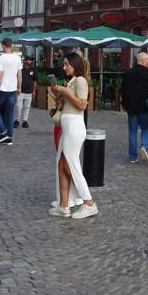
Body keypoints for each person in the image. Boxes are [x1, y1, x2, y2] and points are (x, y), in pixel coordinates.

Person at [48, 51, 99, 219]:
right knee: (62, 165)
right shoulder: (72, 81)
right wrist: (58, 94)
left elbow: (83, 105)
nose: (64, 67)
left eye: (67, 64)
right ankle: (63, 205)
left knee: (71, 166)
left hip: (74, 127)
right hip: (68, 126)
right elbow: (65, 105)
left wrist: (65, 92)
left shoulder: (80, 80)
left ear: (75, 65)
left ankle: (89, 203)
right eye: (64, 64)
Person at [120, 51, 148, 163]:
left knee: (132, 131)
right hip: (144, 106)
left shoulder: (127, 73)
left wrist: (123, 104)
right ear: (142, 61)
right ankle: (143, 146)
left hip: (131, 106)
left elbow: (123, 90)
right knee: (146, 128)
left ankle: (133, 157)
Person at [0, 38, 22, 145]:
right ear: (11, 45)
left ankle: (3, 131)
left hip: (3, 88)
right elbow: (19, 74)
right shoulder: (17, 58)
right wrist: (19, 87)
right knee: (10, 113)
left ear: (3, 46)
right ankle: (10, 137)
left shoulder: (2, 58)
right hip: (12, 88)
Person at [14, 56, 36, 129]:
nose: (30, 61)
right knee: (18, 106)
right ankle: (17, 120)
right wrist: (17, 88)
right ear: (25, 61)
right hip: (21, 91)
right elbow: (16, 78)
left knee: (27, 107)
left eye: (31, 60)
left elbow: (35, 81)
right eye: (29, 60)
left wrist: (34, 91)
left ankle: (25, 121)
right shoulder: (21, 69)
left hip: (29, 91)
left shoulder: (33, 70)